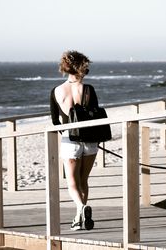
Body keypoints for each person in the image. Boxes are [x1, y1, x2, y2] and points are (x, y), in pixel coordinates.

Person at [49, 50, 99, 231]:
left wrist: (68, 130)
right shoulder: (88, 90)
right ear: (83, 69)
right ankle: (80, 219)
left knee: (71, 181)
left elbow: (55, 121)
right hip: (90, 141)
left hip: (70, 140)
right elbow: (96, 114)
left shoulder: (56, 91)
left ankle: (80, 208)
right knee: (83, 180)